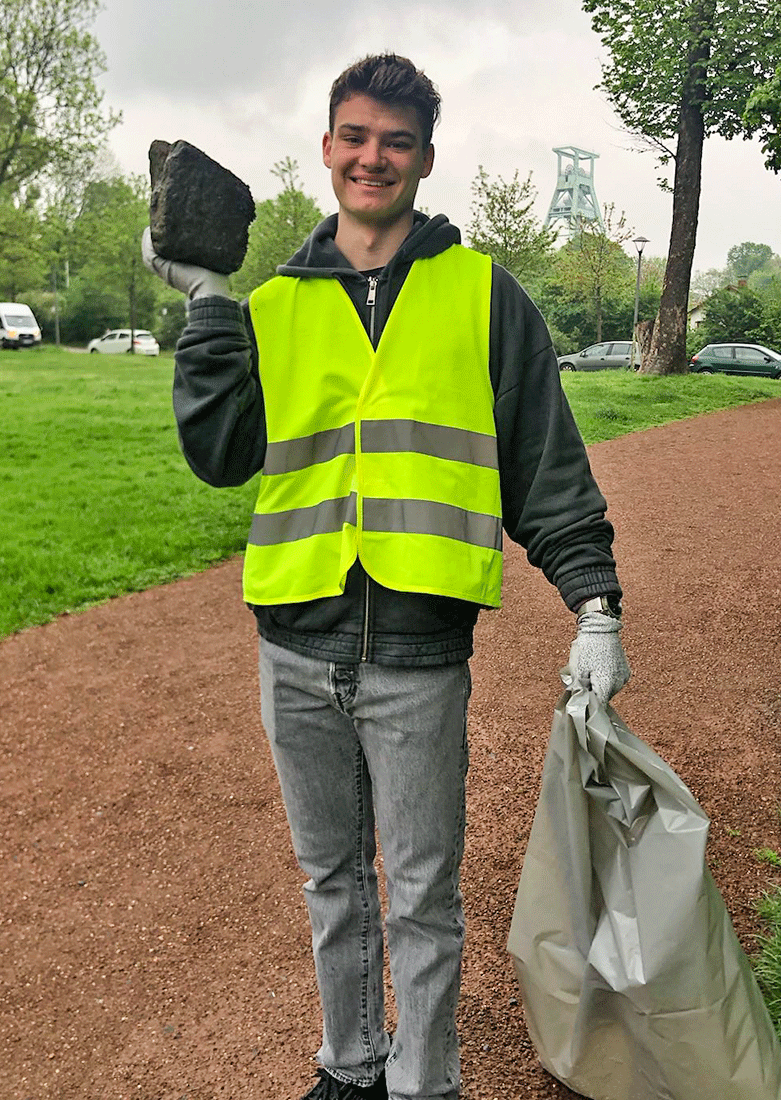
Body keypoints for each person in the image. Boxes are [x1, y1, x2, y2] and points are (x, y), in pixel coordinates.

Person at [142, 52, 630, 1100]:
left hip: (416, 649)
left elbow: (544, 461)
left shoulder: (482, 294)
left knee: (418, 892)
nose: (373, 157)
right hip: (295, 638)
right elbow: (220, 453)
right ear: (327, 148)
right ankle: (349, 1064)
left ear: (422, 159)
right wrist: (210, 302)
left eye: (395, 142)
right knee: (331, 881)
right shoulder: (269, 304)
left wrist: (593, 602)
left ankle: (425, 1080)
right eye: (355, 137)